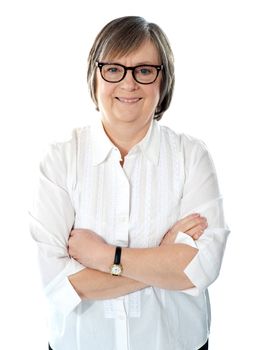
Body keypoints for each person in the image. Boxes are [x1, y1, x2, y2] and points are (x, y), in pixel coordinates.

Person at [29, 16, 230, 350]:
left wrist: (106, 255)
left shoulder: (191, 156)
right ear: (95, 77)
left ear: (163, 81)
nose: (128, 84)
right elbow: (58, 284)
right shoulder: (60, 160)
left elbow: (201, 269)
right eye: (113, 69)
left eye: (144, 70)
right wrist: (164, 260)